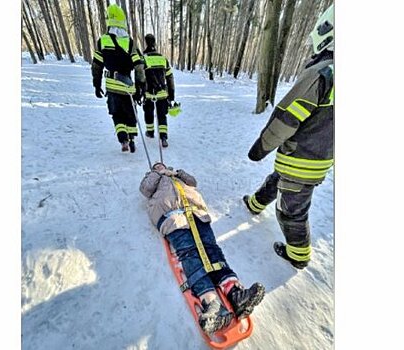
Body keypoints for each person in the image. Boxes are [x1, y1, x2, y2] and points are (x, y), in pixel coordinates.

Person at [243, 4, 334, 270]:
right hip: (317, 159)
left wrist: (260, 148)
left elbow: (287, 117)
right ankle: (255, 203)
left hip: (302, 158)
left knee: (290, 211)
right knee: (278, 180)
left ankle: (299, 255)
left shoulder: (324, 73)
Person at [140, 162, 265, 335]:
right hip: (172, 218)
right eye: (157, 166)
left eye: (162, 164)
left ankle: (235, 293)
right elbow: (145, 190)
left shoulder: (177, 175)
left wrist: (175, 172)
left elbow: (193, 182)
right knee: (189, 252)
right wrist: (156, 173)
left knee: (212, 249)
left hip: (196, 214)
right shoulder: (153, 178)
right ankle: (212, 304)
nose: (161, 166)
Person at [91, 4, 146, 153]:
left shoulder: (102, 41)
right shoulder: (129, 42)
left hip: (112, 86)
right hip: (128, 86)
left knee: (117, 114)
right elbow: (139, 66)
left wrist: (96, 84)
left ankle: (123, 140)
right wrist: (141, 85)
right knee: (130, 113)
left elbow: (96, 65)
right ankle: (132, 138)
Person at [141, 34, 175, 148]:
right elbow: (170, 78)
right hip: (162, 93)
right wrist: (171, 94)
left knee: (149, 113)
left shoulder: (143, 58)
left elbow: (140, 78)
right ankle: (163, 137)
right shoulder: (163, 58)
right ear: (155, 43)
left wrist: (139, 92)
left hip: (149, 93)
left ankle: (150, 132)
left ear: (146, 42)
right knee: (162, 115)